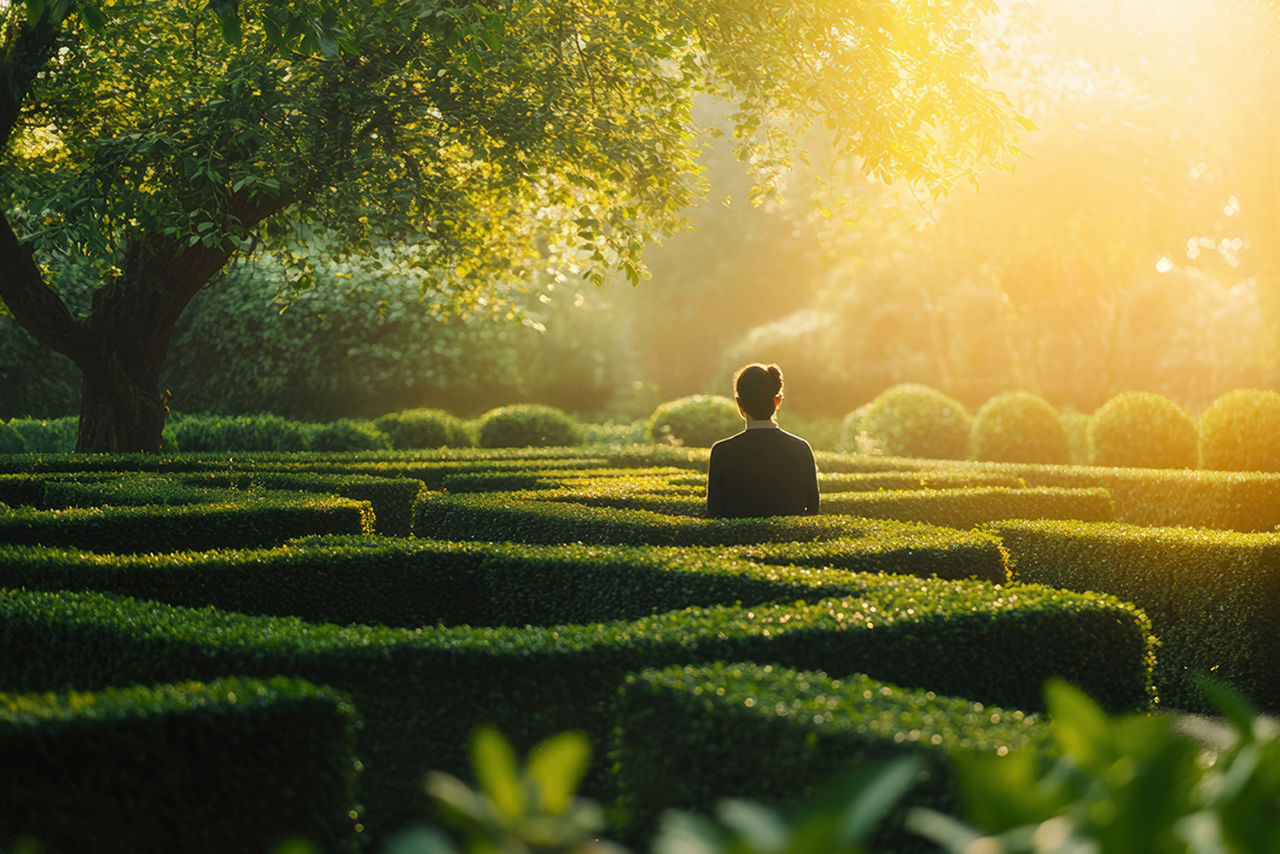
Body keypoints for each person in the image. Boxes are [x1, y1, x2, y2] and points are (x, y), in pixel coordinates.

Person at [706, 363, 820, 518]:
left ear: (739, 403)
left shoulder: (721, 452)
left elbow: (714, 513)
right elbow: (813, 510)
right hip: (791, 541)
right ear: (778, 400)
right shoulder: (801, 449)